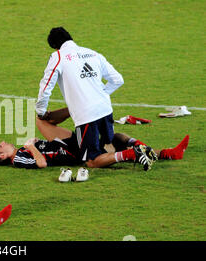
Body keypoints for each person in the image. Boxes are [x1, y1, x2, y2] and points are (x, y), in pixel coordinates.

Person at [35, 27, 156, 171]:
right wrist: (99, 94)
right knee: (108, 149)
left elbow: (46, 85)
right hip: (105, 109)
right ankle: (144, 148)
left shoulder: (58, 57)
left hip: (86, 116)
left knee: (91, 161)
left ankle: (132, 153)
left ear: (55, 47)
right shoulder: (92, 53)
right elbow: (118, 80)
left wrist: (41, 110)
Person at [0, 111, 189, 168]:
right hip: (69, 153)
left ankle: (165, 153)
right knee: (96, 158)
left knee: (117, 137)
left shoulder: (21, 152)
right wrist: (32, 146)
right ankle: (137, 153)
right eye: (0, 146)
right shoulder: (18, 159)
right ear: (4, 155)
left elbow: (42, 150)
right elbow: (41, 163)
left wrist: (36, 142)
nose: (2, 142)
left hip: (64, 145)